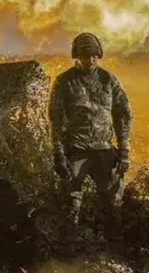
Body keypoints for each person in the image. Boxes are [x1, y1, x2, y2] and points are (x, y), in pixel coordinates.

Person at [48, 32, 133, 234]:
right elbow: (56, 120)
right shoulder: (65, 82)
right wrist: (58, 154)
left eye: (94, 55)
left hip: (104, 150)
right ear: (77, 56)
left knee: (113, 201)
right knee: (71, 203)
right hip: (76, 151)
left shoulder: (108, 80)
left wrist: (124, 150)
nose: (90, 60)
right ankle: (68, 251)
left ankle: (113, 248)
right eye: (85, 56)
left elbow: (123, 115)